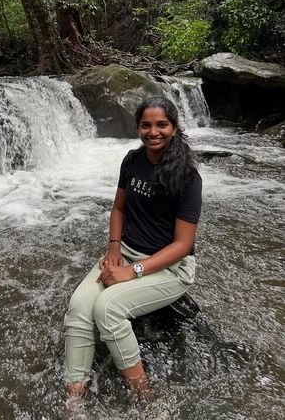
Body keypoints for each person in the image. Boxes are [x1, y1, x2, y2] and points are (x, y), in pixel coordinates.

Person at [64, 96, 202, 399]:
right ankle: (74, 399)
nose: (154, 132)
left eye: (161, 125)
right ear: (138, 127)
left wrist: (132, 271)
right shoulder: (132, 160)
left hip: (170, 267)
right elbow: (118, 209)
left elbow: (183, 245)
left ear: (175, 128)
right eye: (146, 125)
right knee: (79, 308)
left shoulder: (188, 177)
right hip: (125, 251)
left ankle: (145, 396)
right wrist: (114, 249)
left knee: (108, 308)